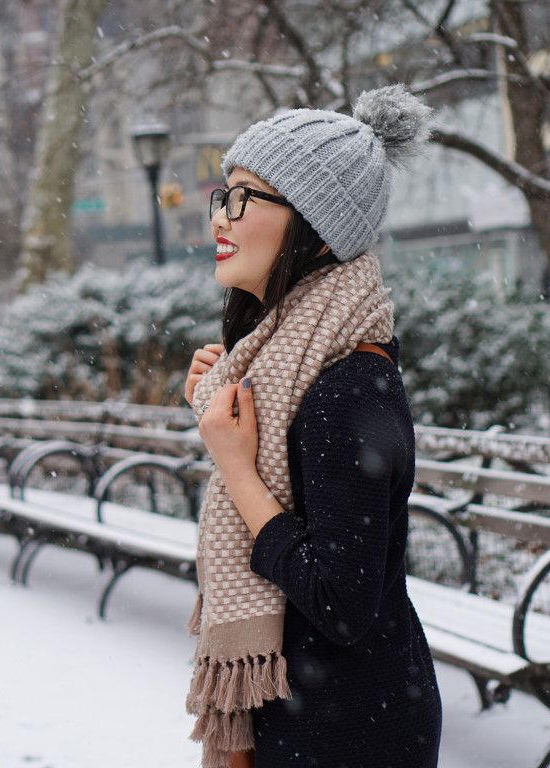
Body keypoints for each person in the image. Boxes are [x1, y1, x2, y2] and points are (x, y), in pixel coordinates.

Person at [182, 84, 442, 768]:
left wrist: (238, 470)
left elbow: (340, 602)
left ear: (317, 226)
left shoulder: (346, 388)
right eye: (222, 195)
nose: (221, 219)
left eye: (244, 198)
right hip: (314, 711)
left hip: (348, 727)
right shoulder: (285, 364)